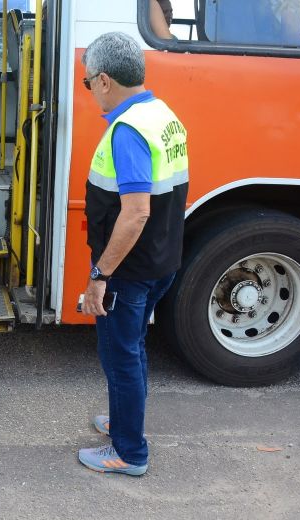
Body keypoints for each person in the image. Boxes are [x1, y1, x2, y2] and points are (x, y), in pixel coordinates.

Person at [78, 32, 189, 476]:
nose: (89, 92)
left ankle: (129, 451)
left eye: (88, 84)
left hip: (128, 270)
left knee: (120, 356)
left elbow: (136, 212)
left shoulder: (128, 131)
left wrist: (100, 274)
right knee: (134, 346)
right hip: (161, 260)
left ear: (104, 80)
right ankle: (124, 421)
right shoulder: (162, 115)